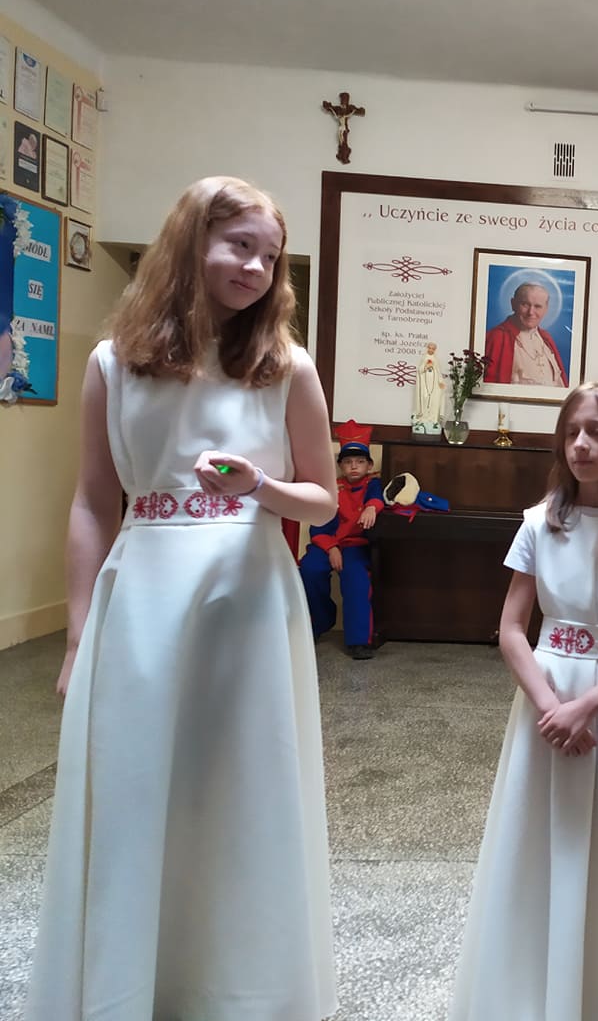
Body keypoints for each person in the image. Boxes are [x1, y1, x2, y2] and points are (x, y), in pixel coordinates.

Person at [25, 177, 340, 1021]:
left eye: (270, 257)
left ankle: (241, 993)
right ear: (188, 242)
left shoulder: (286, 368)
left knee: (241, 791)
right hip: (142, 601)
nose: (257, 269)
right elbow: (95, 502)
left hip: (247, 604)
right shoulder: (112, 364)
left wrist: (260, 486)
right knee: (135, 791)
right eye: (240, 246)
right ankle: (135, 988)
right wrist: (77, 638)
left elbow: (324, 500)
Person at [449, 380, 598, 1021]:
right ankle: (531, 988)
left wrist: (588, 707)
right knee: (542, 837)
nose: (581, 444)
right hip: (546, 699)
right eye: (573, 431)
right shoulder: (539, 523)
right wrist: (551, 704)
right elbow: (511, 628)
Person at [298, 419, 385, 659]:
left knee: (356, 578)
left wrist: (372, 507)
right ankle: (319, 621)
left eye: (360, 461)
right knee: (309, 569)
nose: (354, 466)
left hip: (356, 546)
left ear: (369, 465)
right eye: (348, 462)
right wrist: (331, 548)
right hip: (328, 543)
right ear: (340, 466)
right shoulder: (333, 488)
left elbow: (378, 497)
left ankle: (359, 640)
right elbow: (319, 525)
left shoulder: (373, 484)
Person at [483, 281, 568, 386]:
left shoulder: (546, 339)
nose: (531, 312)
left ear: (546, 309)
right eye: (525, 304)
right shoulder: (497, 338)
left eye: (538, 306)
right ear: (513, 304)